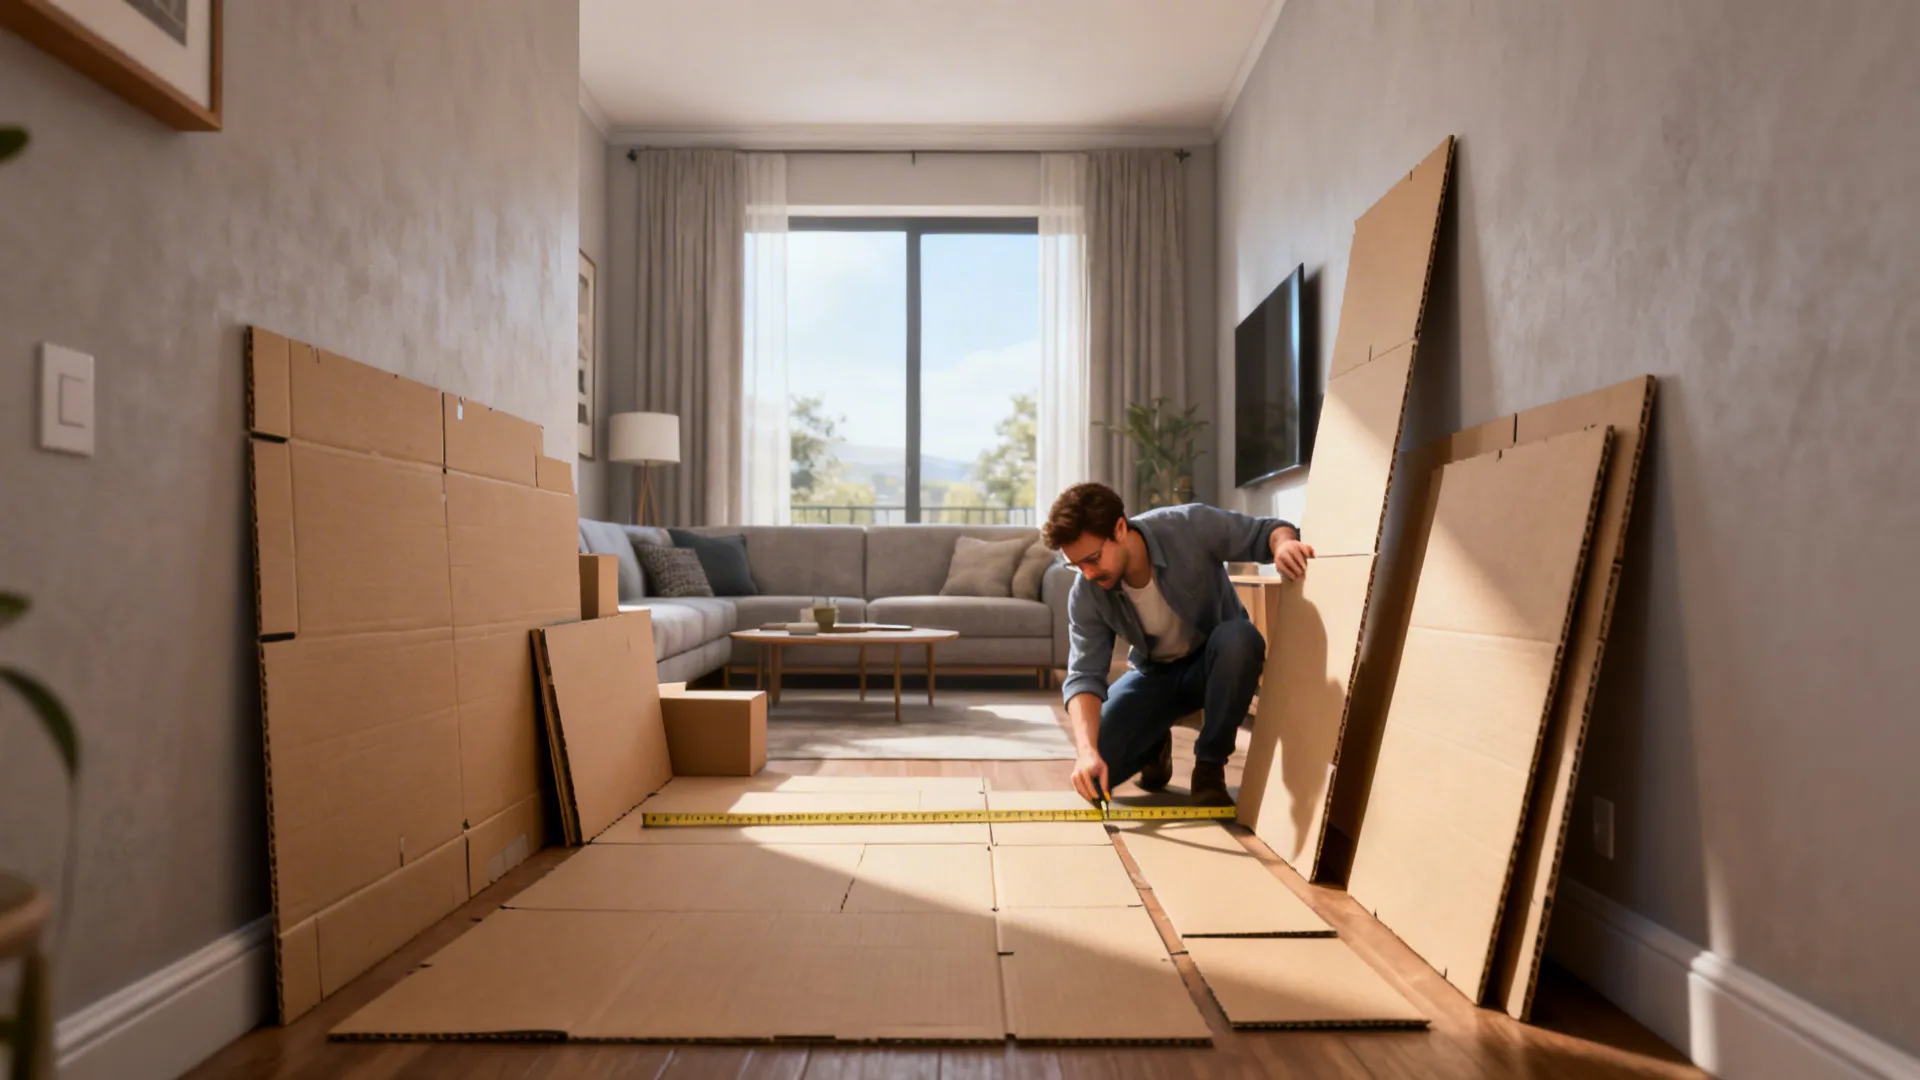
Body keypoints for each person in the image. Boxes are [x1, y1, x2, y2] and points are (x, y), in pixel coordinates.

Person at [1043, 481, 1313, 806]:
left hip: (1215, 663)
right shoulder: (1087, 591)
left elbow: (1268, 532)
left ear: (1119, 529)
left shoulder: (1189, 525)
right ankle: (1155, 744)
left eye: (1093, 559)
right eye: (1076, 565)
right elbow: (1084, 674)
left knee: (1240, 639)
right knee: (1098, 773)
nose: (1087, 574)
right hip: (1154, 674)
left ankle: (1210, 766)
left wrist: (1284, 546)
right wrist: (1086, 752)